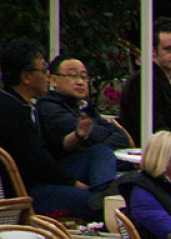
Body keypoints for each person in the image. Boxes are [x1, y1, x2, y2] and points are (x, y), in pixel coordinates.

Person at [0, 40, 104, 220]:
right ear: (26, 77)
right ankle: (102, 195)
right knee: (99, 204)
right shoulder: (10, 110)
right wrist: (74, 184)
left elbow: (48, 150)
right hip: (31, 191)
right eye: (43, 70)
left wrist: (78, 136)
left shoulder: (28, 105)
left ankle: (104, 190)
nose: (48, 75)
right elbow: (38, 163)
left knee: (100, 152)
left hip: (51, 179)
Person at [36, 54, 130, 193]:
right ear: (54, 80)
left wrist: (95, 143)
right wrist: (100, 142)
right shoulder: (48, 107)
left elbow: (121, 137)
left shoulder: (85, 107)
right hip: (61, 176)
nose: (80, 82)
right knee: (100, 152)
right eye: (73, 76)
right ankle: (104, 197)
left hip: (90, 170)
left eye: (84, 77)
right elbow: (92, 134)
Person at [119, 17, 171, 143]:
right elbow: (156, 129)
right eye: (169, 49)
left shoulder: (165, 82)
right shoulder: (143, 81)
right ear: (153, 51)